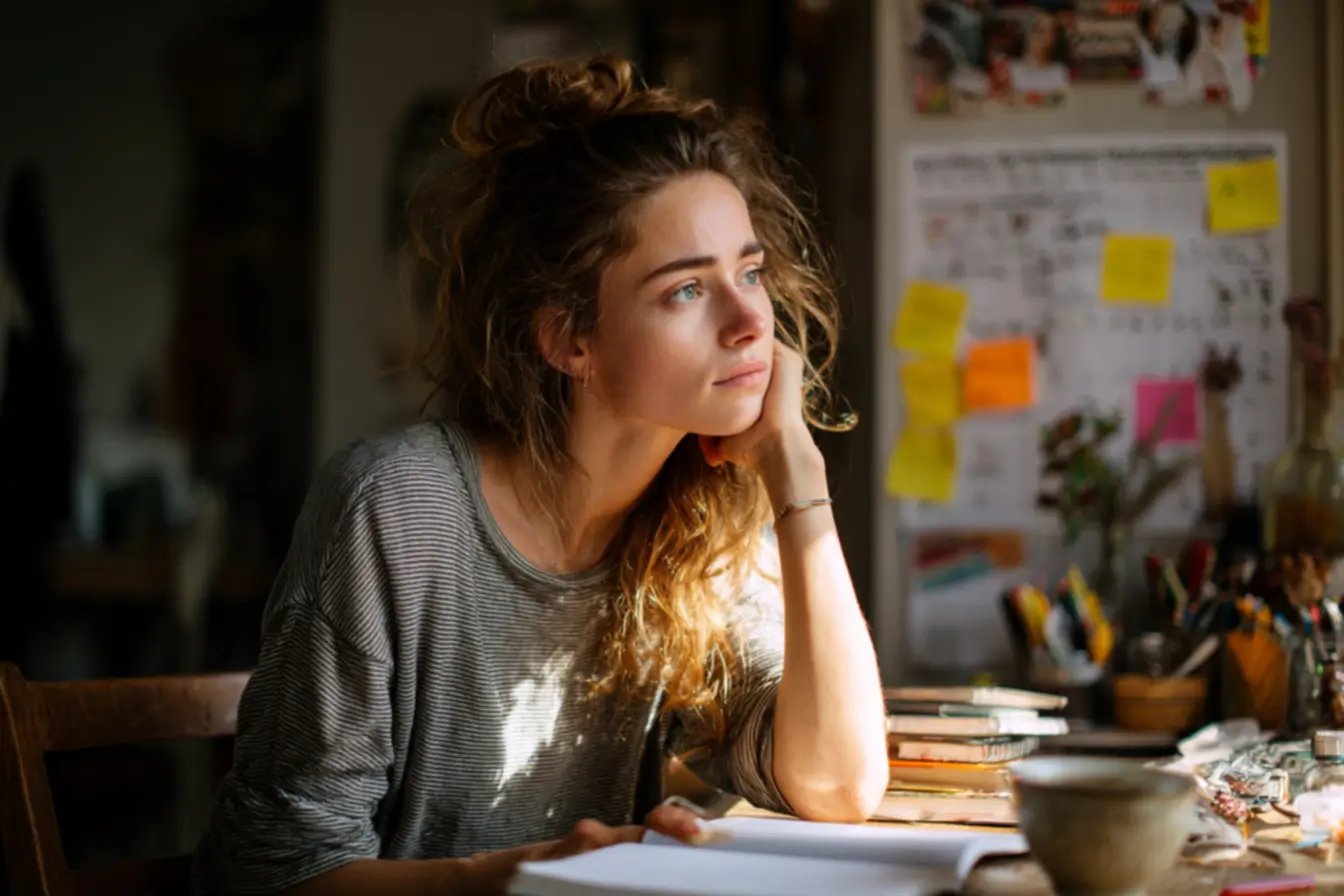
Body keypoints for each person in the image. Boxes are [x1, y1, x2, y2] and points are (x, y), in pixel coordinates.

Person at [190, 54, 888, 895]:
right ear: (568, 340)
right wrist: (513, 876)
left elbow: (839, 785)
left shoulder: (708, 522)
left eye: (749, 273)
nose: (749, 323)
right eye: (685, 291)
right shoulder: (395, 511)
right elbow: (270, 875)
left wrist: (795, 472)